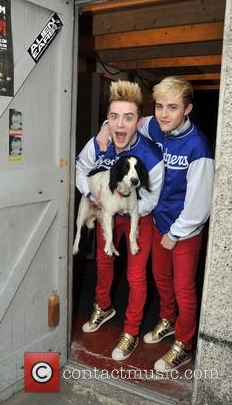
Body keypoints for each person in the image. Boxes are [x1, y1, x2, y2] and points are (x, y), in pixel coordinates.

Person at [96, 76, 214, 371]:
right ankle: (167, 320)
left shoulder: (198, 147)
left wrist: (176, 233)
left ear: (187, 109)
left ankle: (183, 345)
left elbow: (200, 204)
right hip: (159, 223)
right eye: (159, 106)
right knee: (161, 279)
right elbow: (126, 121)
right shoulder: (157, 126)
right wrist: (103, 131)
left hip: (184, 229)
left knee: (184, 287)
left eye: (172, 108)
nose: (163, 113)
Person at [75, 80, 164, 361]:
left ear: (139, 122)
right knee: (104, 261)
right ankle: (103, 307)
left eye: (128, 117)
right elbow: (80, 169)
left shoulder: (152, 156)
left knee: (135, 276)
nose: (120, 125)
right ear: (107, 119)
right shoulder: (99, 143)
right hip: (107, 211)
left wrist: (124, 207)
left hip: (139, 216)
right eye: (114, 117)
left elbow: (150, 200)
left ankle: (131, 331)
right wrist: (93, 194)